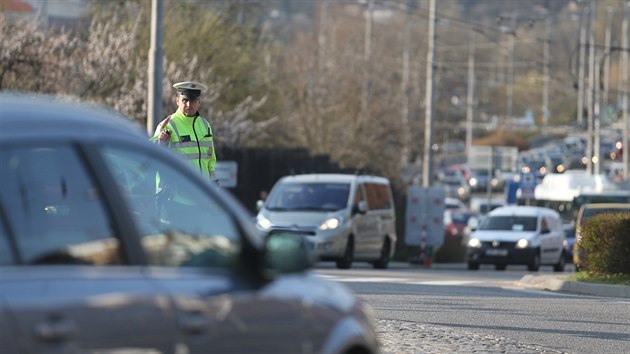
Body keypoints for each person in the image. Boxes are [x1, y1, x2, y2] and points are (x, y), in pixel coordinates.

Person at [152, 81, 217, 182]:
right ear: (177, 100)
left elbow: (211, 160)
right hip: (176, 195)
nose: (189, 104)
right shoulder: (167, 125)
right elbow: (151, 156)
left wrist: (214, 182)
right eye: (185, 100)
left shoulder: (205, 125)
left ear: (199, 102)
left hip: (200, 193)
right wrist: (161, 143)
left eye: (193, 101)